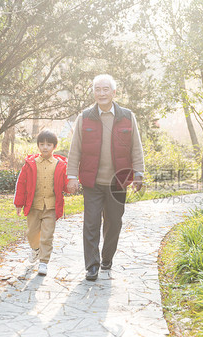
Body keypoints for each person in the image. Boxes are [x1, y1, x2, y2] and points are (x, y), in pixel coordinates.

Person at [67, 74, 145, 281]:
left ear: (113, 92)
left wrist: (139, 173)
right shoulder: (85, 117)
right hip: (92, 181)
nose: (101, 93)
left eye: (105, 89)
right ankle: (91, 265)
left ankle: (107, 258)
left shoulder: (127, 116)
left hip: (118, 183)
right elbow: (75, 149)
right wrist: (72, 175)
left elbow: (136, 147)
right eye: (97, 89)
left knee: (114, 222)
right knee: (91, 223)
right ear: (94, 93)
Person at [14, 130, 68, 276]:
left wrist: (72, 185)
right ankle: (35, 249)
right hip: (33, 206)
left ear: (54, 146)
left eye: (49, 145)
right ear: (38, 146)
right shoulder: (30, 164)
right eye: (42, 144)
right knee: (32, 233)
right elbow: (22, 184)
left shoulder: (60, 165)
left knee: (47, 235)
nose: (45, 147)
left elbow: (65, 183)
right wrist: (19, 203)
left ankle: (43, 262)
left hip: (51, 207)